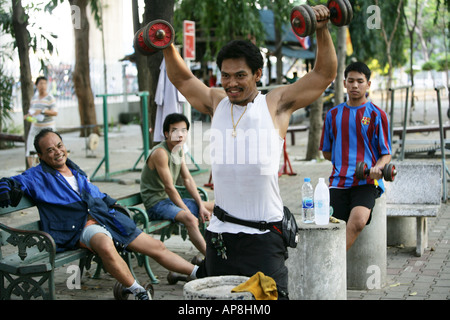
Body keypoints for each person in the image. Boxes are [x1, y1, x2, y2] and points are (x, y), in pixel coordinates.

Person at [162, 5, 337, 299]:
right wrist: (166, 44)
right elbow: (181, 79)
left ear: (257, 74)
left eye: (240, 75)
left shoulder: (275, 104)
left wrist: (321, 28)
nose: (231, 83)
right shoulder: (216, 102)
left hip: (264, 238)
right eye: (226, 76)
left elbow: (324, 73)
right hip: (220, 236)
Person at [0, 129, 199, 300]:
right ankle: (138, 291)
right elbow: (14, 182)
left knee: (156, 246)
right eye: (50, 150)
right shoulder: (37, 176)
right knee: (105, 244)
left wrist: (112, 204)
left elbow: (96, 194)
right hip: (79, 226)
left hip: (106, 217)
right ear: (41, 156)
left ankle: (199, 273)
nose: (57, 152)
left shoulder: (75, 171)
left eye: (59, 146)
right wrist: (6, 187)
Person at [319, 61, 392, 251]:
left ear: (368, 84)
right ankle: (335, 267)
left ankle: (333, 264)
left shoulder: (377, 115)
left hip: (366, 182)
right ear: (344, 83)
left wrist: (377, 168)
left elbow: (386, 154)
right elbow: (326, 151)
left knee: (358, 221)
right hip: (339, 181)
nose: (355, 85)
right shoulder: (333, 115)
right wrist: (343, 160)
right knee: (332, 227)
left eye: (360, 81)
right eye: (350, 81)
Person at [140, 113, 214, 256]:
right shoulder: (160, 153)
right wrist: (186, 210)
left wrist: (200, 205)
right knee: (190, 219)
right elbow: (169, 187)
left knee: (216, 207)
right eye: (175, 131)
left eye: (184, 130)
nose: (180, 135)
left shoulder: (178, 150)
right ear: (166, 133)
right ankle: (211, 260)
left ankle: (224, 249)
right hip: (156, 204)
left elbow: (187, 179)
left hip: (170, 201)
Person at [24, 76, 58, 168]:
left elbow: (55, 112)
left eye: (44, 83)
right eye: (40, 83)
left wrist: (42, 111)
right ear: (36, 85)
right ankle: (32, 170)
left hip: (47, 128)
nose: (43, 86)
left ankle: (49, 170)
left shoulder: (50, 98)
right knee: (30, 149)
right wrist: (28, 116)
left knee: (49, 149)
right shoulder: (34, 98)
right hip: (35, 127)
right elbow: (32, 113)